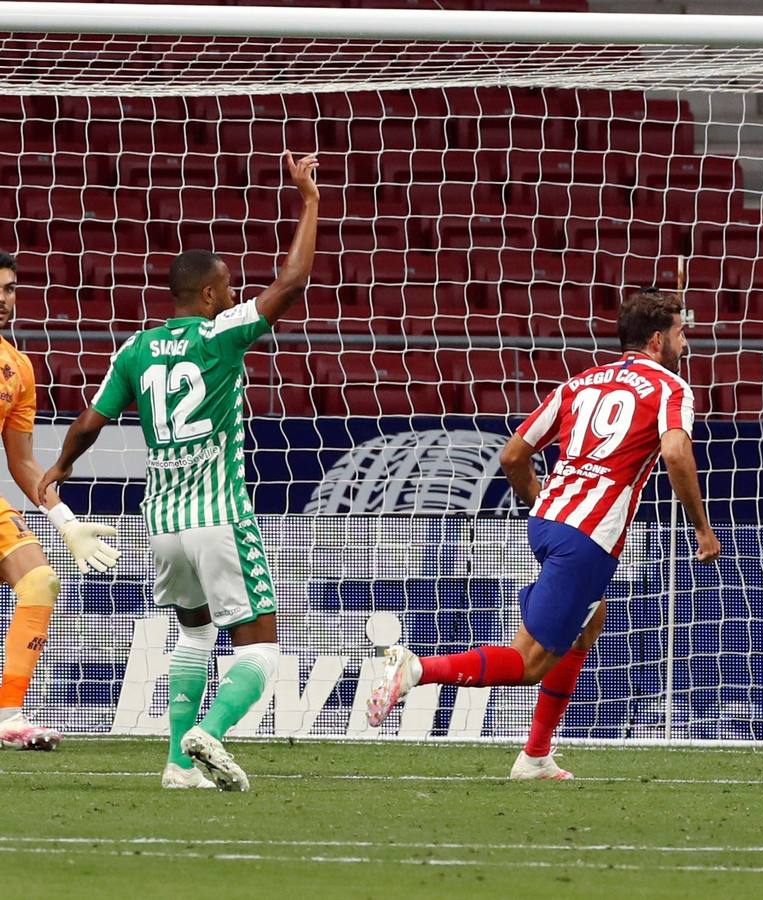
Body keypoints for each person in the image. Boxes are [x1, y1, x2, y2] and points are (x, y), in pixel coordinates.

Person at [38, 151, 319, 790]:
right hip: (218, 515)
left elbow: (89, 421)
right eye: (227, 283)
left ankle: (173, 764)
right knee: (258, 651)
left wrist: (59, 469)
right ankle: (208, 735)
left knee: (192, 635)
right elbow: (292, 283)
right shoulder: (220, 334)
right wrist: (309, 201)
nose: (232, 290)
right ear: (212, 293)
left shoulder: (137, 348)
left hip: (161, 521)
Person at [366, 288, 720, 779]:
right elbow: (677, 455)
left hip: (548, 519)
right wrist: (702, 528)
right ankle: (416, 670)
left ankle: (535, 754)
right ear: (658, 340)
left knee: (587, 625)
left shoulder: (578, 384)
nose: (687, 342)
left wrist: (542, 498)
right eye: (682, 333)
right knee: (529, 662)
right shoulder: (671, 388)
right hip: (589, 537)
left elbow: (513, 456)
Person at [0, 252, 120, 751]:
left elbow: (22, 462)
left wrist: (63, 519)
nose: (3, 299)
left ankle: (8, 715)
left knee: (40, 581)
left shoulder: (18, 369)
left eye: (9, 289)